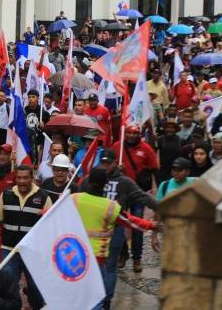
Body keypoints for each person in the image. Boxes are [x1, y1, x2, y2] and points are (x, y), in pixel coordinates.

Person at [80, 149, 158, 308]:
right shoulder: (89, 180)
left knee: (110, 267)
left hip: (115, 230)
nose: (105, 165)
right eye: (102, 162)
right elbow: (77, 196)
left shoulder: (125, 182)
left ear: (115, 163)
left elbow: (141, 198)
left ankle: (105, 301)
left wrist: (160, 207)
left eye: (108, 163)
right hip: (88, 233)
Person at [0, 165, 52, 309]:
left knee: (35, 288)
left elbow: (50, 225)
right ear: (15, 178)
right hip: (9, 250)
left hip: (33, 253)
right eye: (19, 178)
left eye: (26, 178)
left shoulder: (44, 197)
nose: (22, 181)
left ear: (32, 178)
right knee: (8, 287)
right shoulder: (6, 194)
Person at [111, 124, 158, 272]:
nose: (131, 136)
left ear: (139, 134)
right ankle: (123, 253)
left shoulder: (146, 149)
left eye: (134, 133)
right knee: (118, 223)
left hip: (137, 192)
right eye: (129, 133)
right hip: (121, 193)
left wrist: (156, 188)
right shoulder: (117, 146)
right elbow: (108, 165)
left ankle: (137, 258)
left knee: (137, 226)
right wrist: (116, 169)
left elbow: (154, 168)